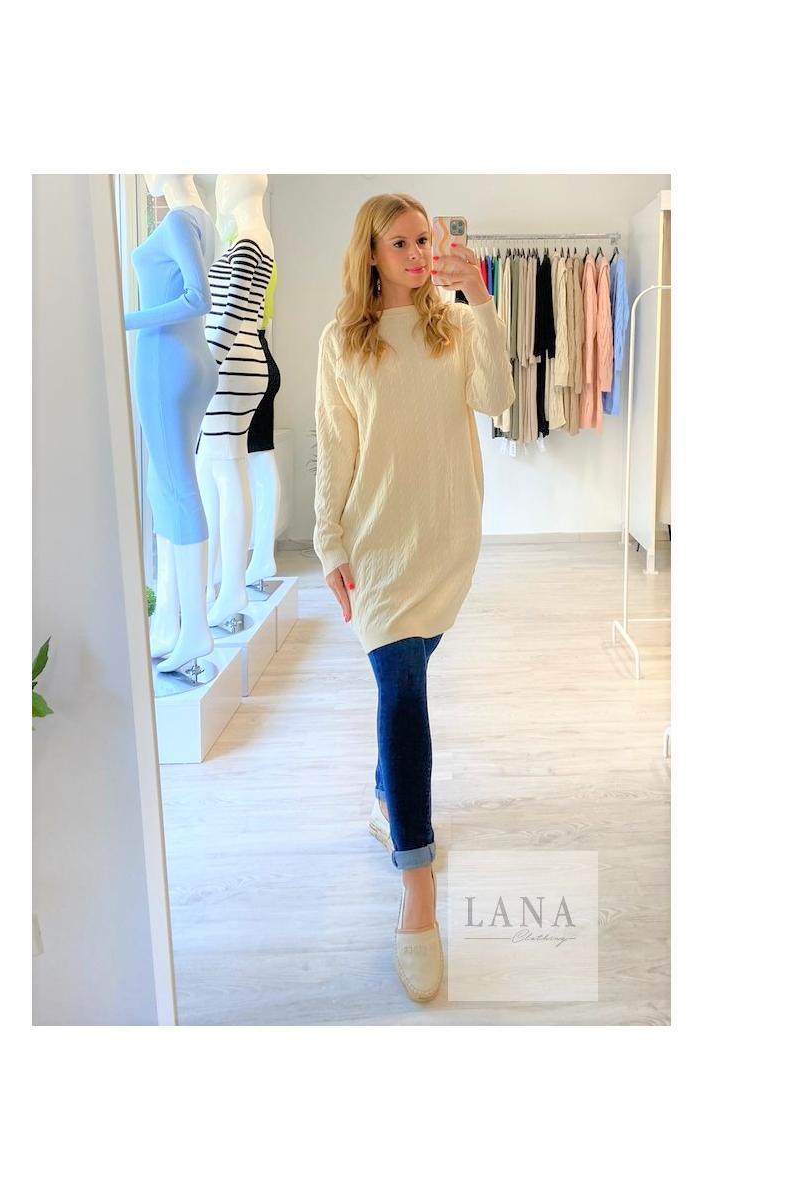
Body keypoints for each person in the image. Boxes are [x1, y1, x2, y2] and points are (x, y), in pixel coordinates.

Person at [313, 194, 515, 1003]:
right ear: (371, 253)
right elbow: (335, 447)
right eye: (400, 242)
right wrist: (328, 542)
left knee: (407, 678)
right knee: (401, 689)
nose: (418, 252)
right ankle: (418, 888)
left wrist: (483, 300)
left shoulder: (456, 325)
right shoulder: (341, 340)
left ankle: (383, 797)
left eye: (424, 239)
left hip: (445, 541)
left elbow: (497, 399)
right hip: (377, 548)